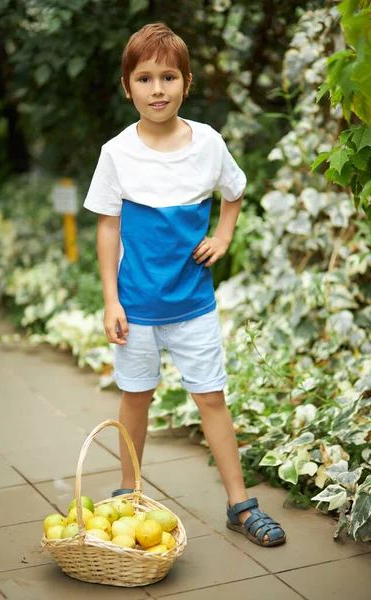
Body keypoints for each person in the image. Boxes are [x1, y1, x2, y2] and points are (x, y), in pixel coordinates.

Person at [83, 22, 286, 548]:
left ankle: (240, 504)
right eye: (145, 78)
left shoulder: (208, 144)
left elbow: (234, 191)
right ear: (127, 86)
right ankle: (128, 494)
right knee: (135, 400)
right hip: (136, 307)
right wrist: (110, 300)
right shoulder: (116, 152)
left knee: (211, 399)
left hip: (193, 304)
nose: (157, 89)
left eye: (168, 77)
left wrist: (223, 234)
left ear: (186, 83)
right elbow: (107, 225)